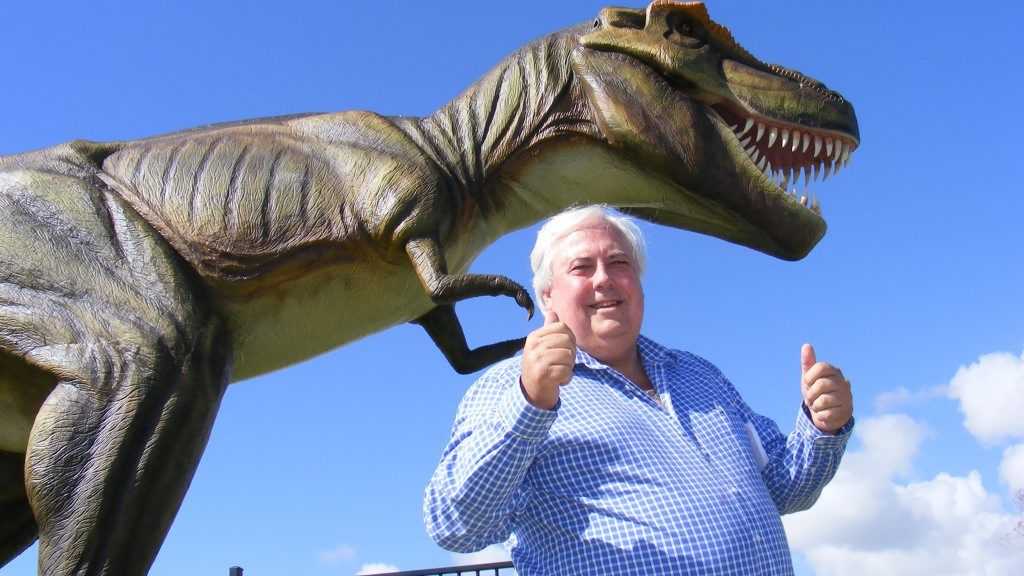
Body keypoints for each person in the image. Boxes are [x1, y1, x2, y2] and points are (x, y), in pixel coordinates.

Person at [423, 205, 854, 575]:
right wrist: (530, 404)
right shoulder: (508, 388)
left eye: (619, 263)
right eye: (581, 267)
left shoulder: (700, 375)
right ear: (547, 295)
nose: (604, 279)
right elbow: (456, 524)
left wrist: (822, 426)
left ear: (640, 284)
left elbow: (784, 487)